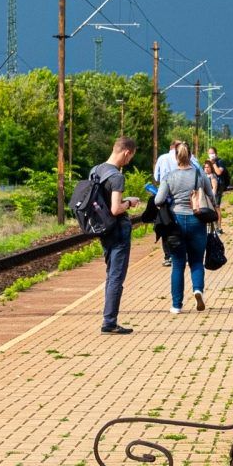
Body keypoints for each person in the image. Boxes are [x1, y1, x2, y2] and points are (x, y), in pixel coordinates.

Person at [154, 139, 217, 314]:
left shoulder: (169, 176)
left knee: (178, 264)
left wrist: (171, 199)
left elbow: (158, 200)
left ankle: (176, 305)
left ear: (176, 157)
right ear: (190, 156)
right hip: (197, 220)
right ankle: (198, 290)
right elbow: (211, 196)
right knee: (196, 261)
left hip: (176, 222)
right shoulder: (199, 174)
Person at [88, 136, 139, 335]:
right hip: (118, 230)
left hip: (103, 228)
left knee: (111, 274)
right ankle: (109, 322)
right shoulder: (117, 176)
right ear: (126, 152)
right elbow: (116, 208)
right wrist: (130, 202)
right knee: (116, 276)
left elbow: (103, 202)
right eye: (130, 157)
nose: (129, 161)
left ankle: (109, 319)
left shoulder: (96, 170)